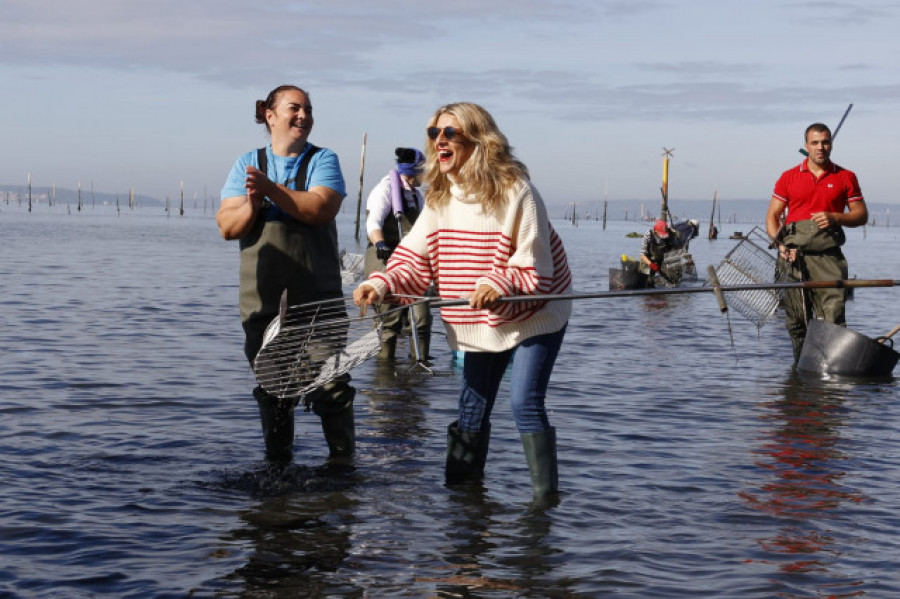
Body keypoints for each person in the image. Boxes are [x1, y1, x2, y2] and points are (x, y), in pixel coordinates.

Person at [353, 102, 572, 501]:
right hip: (479, 317)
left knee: (523, 401)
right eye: (434, 132)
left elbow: (534, 266)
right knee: (471, 408)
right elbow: (413, 257)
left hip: (535, 309)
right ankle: (462, 503)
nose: (439, 140)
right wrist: (382, 284)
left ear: (478, 140)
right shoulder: (440, 198)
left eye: (450, 133)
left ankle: (543, 508)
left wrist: (498, 280)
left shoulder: (516, 191)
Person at [216, 84, 356, 463]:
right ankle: (278, 471)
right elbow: (228, 227)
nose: (304, 116)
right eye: (294, 108)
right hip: (261, 305)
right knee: (274, 389)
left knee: (331, 384)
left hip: (318, 302)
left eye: (308, 109)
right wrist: (252, 204)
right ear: (270, 115)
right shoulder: (247, 162)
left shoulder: (323, 160)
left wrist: (270, 190)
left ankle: (342, 470)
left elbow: (319, 209)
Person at [765, 122, 868, 363]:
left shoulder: (845, 177)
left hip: (829, 258)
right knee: (797, 322)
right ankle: (801, 376)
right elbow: (772, 217)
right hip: (792, 258)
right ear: (806, 146)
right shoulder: (788, 177)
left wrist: (835, 217)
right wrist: (780, 245)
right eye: (815, 143)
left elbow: (861, 215)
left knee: (833, 321)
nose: (820, 147)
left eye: (825, 142)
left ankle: (831, 381)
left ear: (831, 144)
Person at [363, 147, 433, 362]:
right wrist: (381, 243)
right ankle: (385, 377)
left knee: (421, 319)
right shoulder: (384, 190)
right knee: (389, 320)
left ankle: (419, 369)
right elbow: (373, 222)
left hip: (410, 259)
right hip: (383, 255)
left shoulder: (417, 195)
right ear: (414, 172)